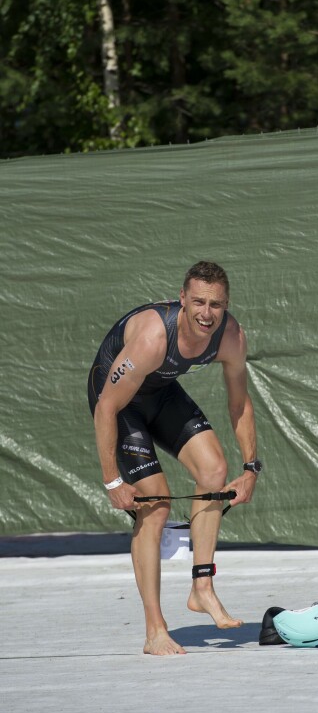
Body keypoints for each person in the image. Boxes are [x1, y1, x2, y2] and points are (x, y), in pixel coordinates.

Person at [88, 261, 262, 656]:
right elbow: (106, 408)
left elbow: (240, 402)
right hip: (119, 404)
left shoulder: (231, 335)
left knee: (215, 470)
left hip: (160, 391)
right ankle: (155, 630)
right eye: (198, 302)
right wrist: (113, 481)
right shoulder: (152, 338)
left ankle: (202, 587)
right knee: (157, 504)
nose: (206, 313)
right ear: (181, 299)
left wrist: (251, 468)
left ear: (226, 305)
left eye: (216, 305)